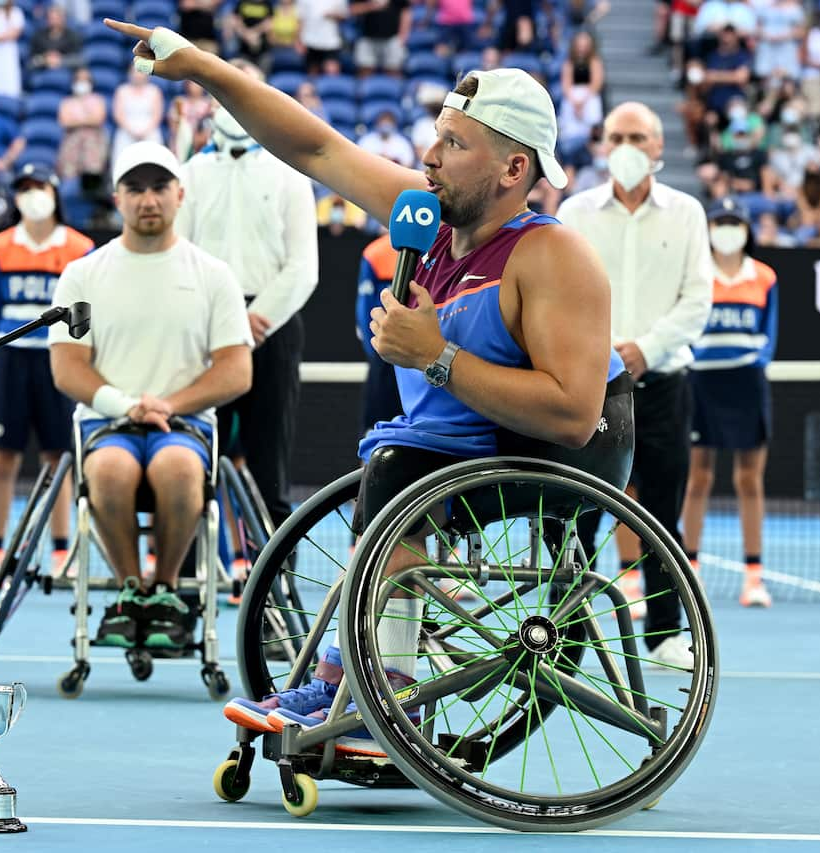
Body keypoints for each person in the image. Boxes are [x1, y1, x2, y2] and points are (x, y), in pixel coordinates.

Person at [100, 20, 633, 750]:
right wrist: (202, 68)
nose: (428, 156)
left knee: (403, 473)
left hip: (567, 449)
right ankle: (350, 682)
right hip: (465, 440)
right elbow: (317, 147)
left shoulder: (556, 256)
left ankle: (380, 698)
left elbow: (573, 415)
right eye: (436, 137)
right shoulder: (430, 219)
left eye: (453, 144)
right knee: (398, 468)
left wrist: (435, 356)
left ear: (513, 170)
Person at [48, 140, 253, 650]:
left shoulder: (213, 275)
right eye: (134, 189)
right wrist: (125, 405)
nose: (148, 199)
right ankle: (130, 591)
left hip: (183, 428)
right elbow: (67, 366)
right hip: (108, 425)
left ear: (180, 194)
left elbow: (236, 370)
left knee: (179, 471)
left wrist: (168, 405)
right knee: (110, 472)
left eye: (159, 187)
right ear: (117, 198)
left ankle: (165, 593)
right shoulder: (83, 274)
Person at [557, 101, 712, 668]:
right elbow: (558, 295)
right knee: (573, 513)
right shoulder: (573, 213)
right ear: (601, 143)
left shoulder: (688, 213)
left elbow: (698, 300)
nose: (626, 145)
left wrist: (644, 351)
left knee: (662, 511)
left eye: (638, 137)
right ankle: (561, 633)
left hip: (664, 382)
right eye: (617, 135)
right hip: (587, 388)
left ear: (657, 147)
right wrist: (598, 353)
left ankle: (667, 633)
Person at [174, 106, 318, 530]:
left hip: (270, 326)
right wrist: (221, 318)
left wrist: (255, 318)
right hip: (205, 327)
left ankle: (273, 583)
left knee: (268, 465)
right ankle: (187, 581)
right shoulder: (189, 176)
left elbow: (303, 266)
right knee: (194, 457)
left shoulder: (289, 175)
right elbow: (179, 252)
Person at [0, 164, 96, 590]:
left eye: (39, 186)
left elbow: (88, 309)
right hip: (12, 362)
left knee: (59, 459)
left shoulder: (80, 247)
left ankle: (62, 554)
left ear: (55, 193)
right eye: (23, 189)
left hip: (59, 361)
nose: (32, 195)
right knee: (2, 457)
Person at [679, 198, 777, 608]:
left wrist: (757, 361)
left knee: (749, 479)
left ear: (746, 229)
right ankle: (691, 568)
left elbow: (770, 334)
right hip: (702, 384)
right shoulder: (698, 273)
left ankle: (754, 576)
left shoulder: (766, 277)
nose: (728, 230)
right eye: (721, 222)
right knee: (698, 476)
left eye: (735, 223)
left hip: (747, 384)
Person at [355, 229, 402, 435]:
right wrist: (376, 352)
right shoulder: (375, 253)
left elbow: (363, 308)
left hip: (407, 355)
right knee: (376, 428)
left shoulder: (436, 247)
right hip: (387, 356)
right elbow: (364, 309)